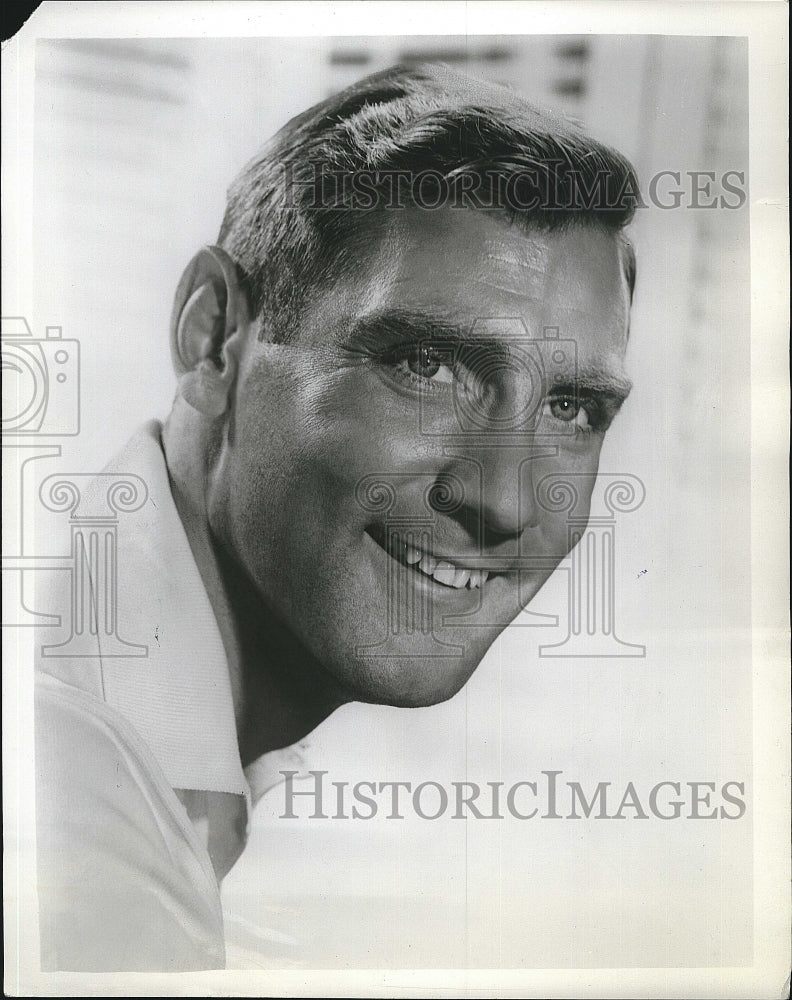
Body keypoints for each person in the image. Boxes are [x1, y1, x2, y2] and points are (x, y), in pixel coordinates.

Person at [34, 62, 638, 970]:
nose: (507, 501)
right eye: (427, 365)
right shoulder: (72, 778)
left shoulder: (156, 745)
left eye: (571, 410)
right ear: (215, 338)